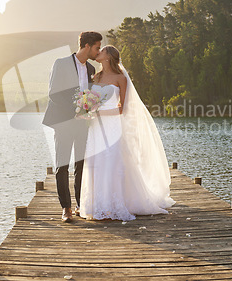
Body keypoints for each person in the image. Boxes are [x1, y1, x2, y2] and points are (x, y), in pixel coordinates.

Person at [80, 45, 175, 221]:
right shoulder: (97, 76)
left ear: (108, 57)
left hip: (113, 125)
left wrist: (101, 113)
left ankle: (116, 204)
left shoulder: (120, 78)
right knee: (97, 162)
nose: (98, 53)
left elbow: (123, 108)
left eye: (101, 51)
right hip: (96, 127)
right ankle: (99, 204)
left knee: (112, 161)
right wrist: (88, 111)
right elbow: (91, 100)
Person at [42, 31, 102, 223]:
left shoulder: (91, 69)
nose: (97, 51)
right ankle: (65, 208)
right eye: (96, 47)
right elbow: (54, 93)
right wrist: (74, 111)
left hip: (83, 124)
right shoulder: (61, 63)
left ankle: (79, 205)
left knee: (81, 165)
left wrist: (88, 111)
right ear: (86, 46)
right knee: (62, 165)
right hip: (63, 122)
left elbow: (91, 95)